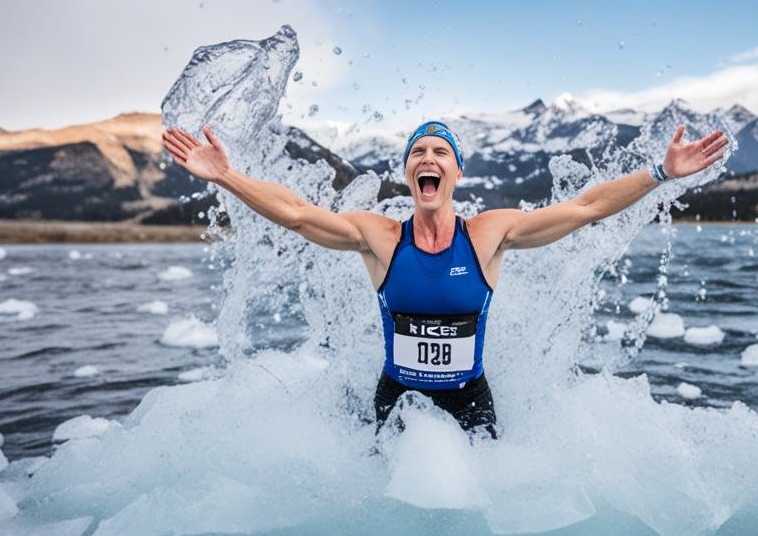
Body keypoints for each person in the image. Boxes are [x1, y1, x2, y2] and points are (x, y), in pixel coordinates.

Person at [162, 120, 727, 438]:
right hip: (395, 398)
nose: (426, 157)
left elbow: (585, 208)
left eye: (439, 151)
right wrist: (227, 176)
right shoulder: (380, 237)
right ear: (409, 173)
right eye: (417, 152)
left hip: (470, 403)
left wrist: (660, 173)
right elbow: (297, 213)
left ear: (456, 171)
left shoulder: (488, 235)